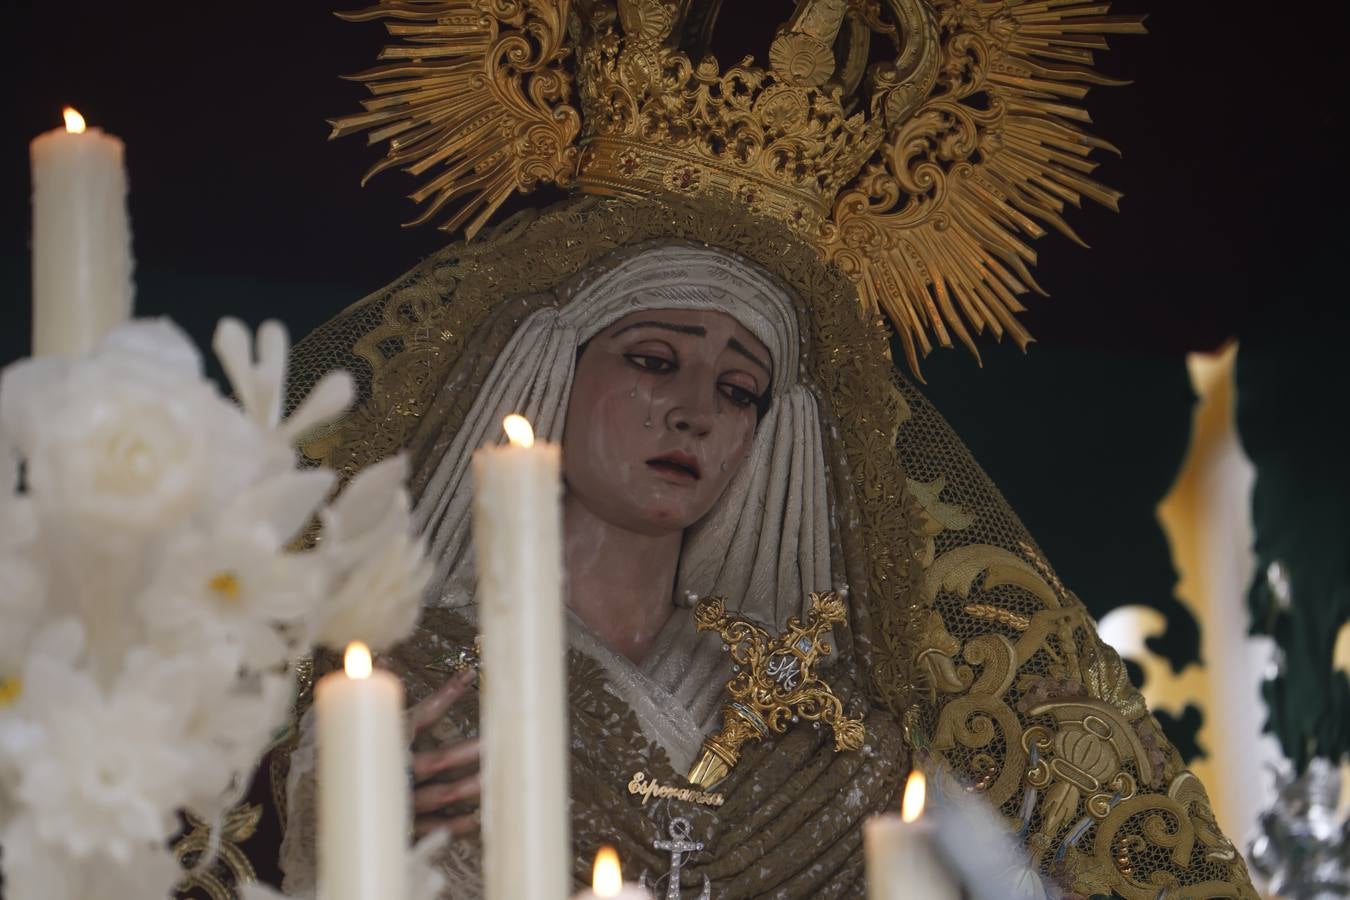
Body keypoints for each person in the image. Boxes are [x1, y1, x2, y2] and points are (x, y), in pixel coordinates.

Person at [268, 196, 1257, 897]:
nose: (695, 412)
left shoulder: (825, 723)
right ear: (546, 375)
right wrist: (354, 809)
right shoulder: (410, 687)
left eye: (738, 390)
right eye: (654, 360)